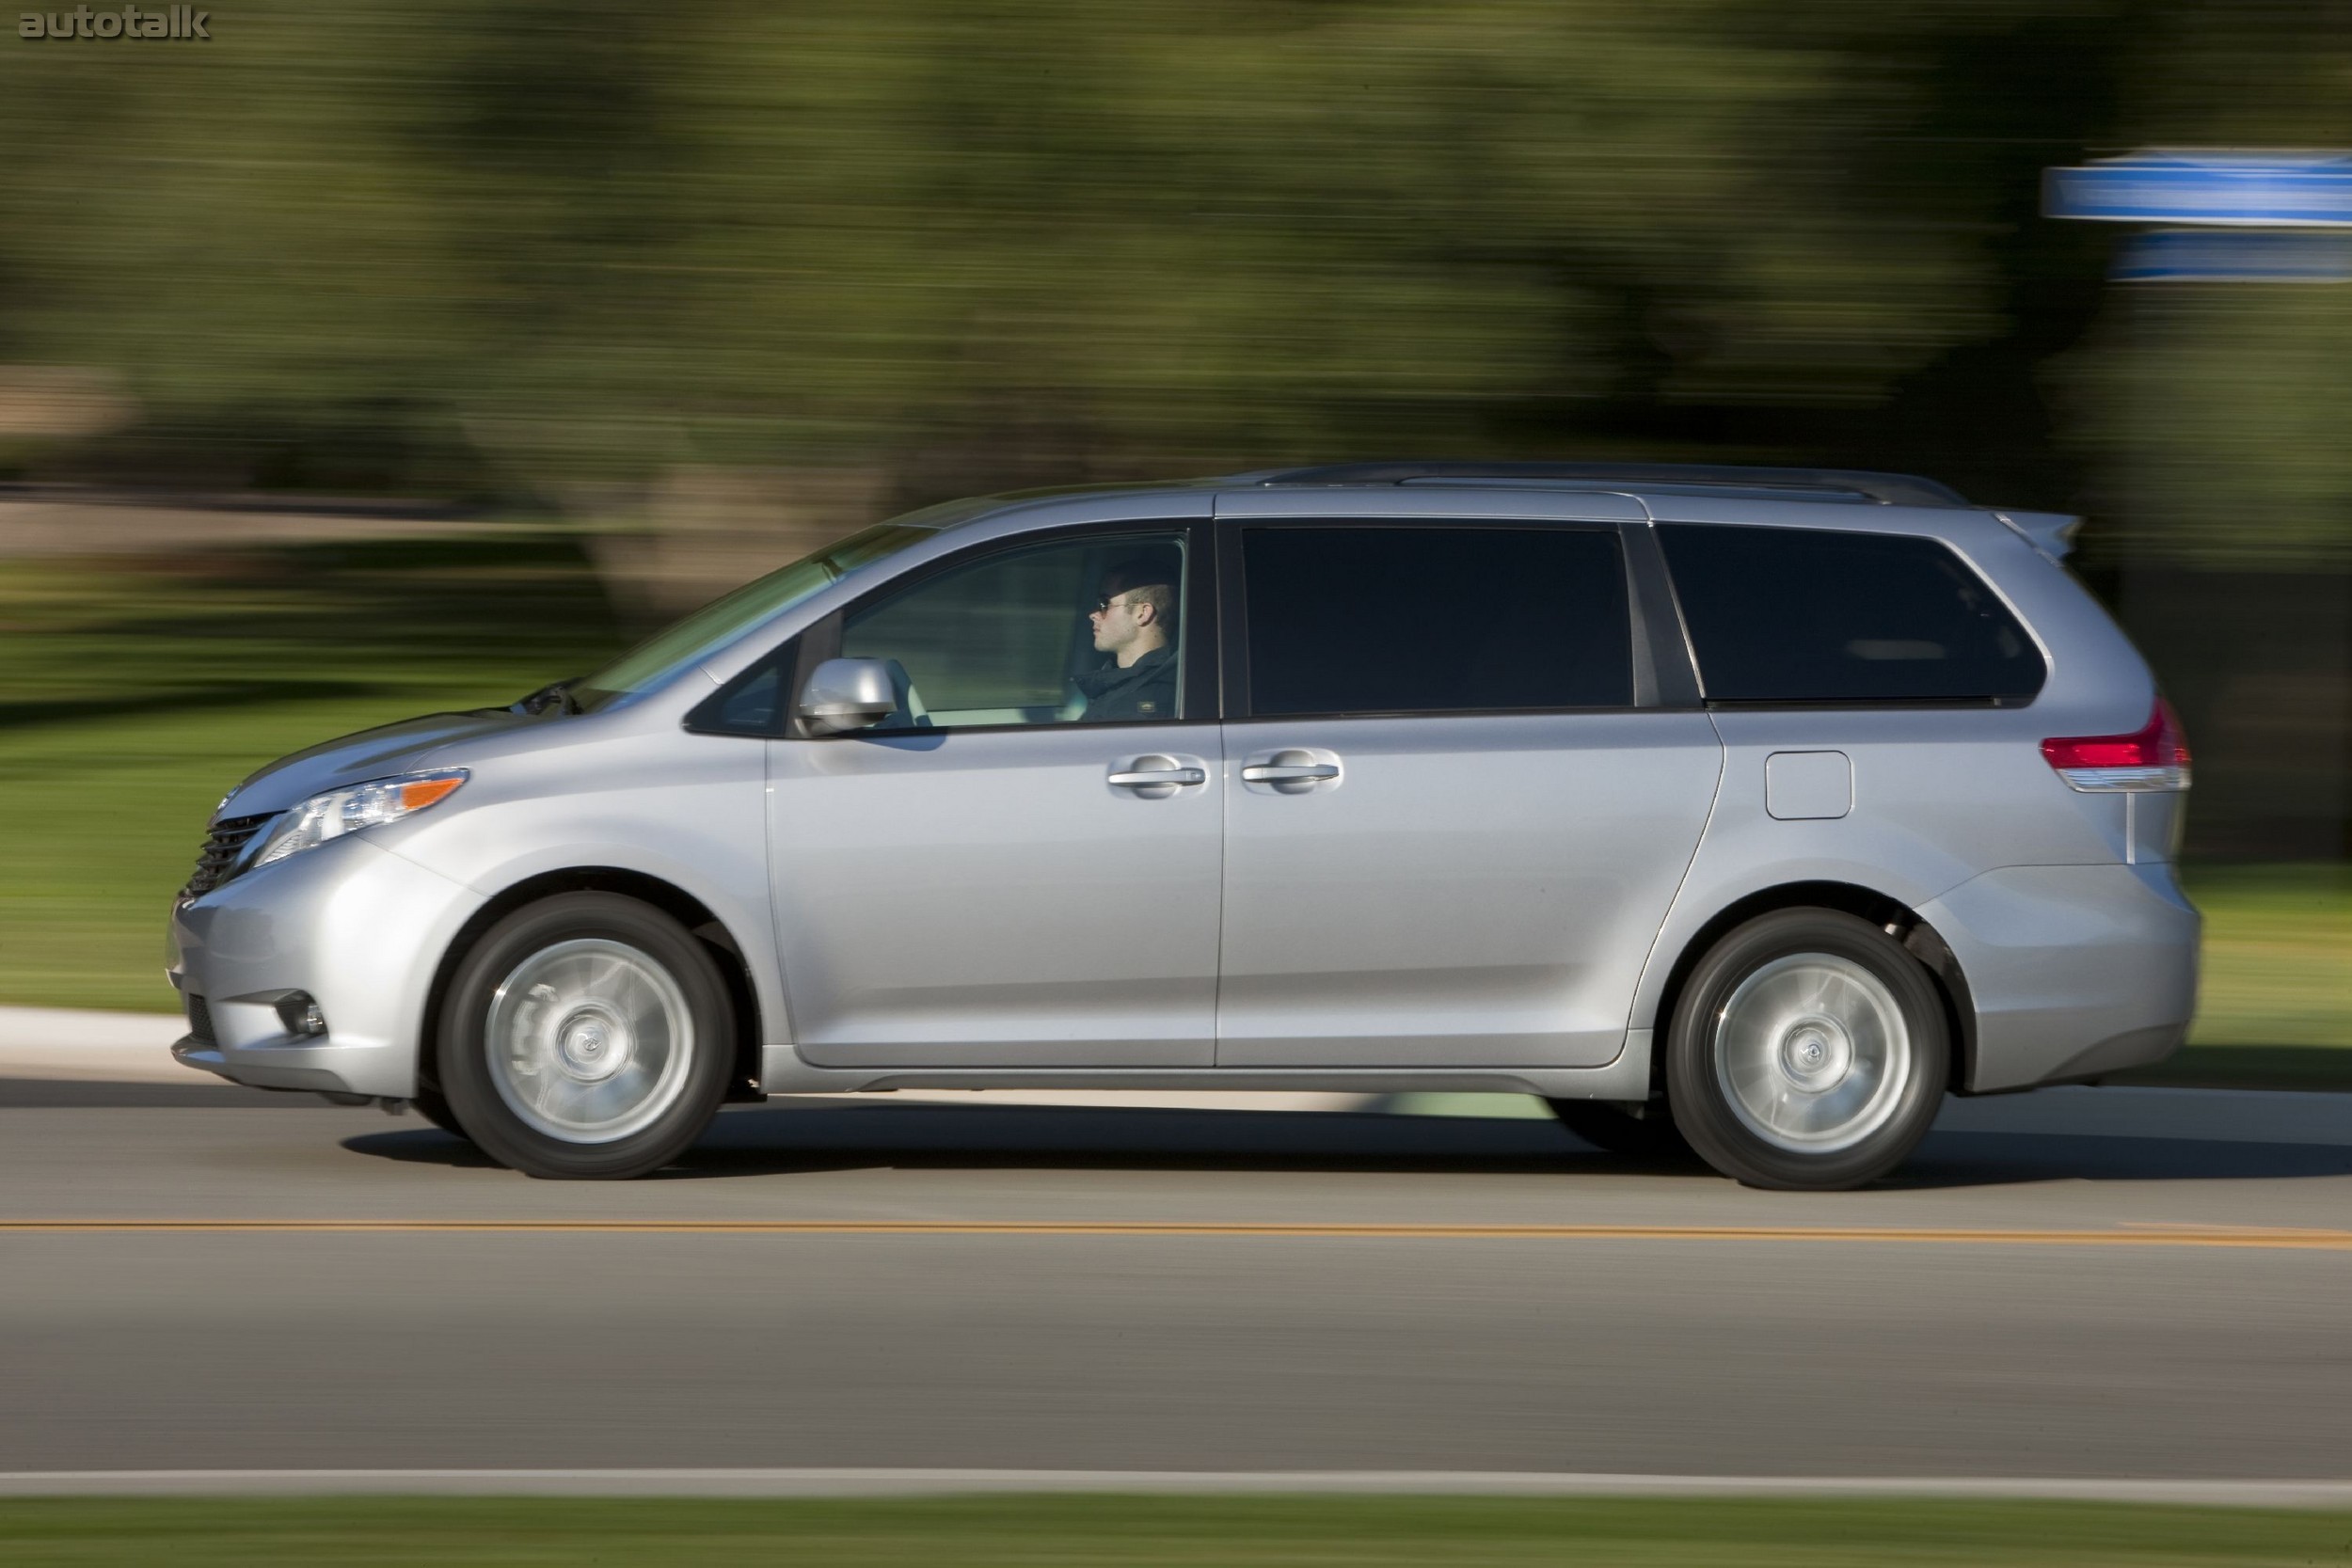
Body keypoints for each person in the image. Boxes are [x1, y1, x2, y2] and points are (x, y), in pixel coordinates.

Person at [1074, 558, 1179, 721]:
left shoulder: (1139, 707)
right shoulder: (1122, 690)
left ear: (1142, 613)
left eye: (1104, 604)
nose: (1093, 614)